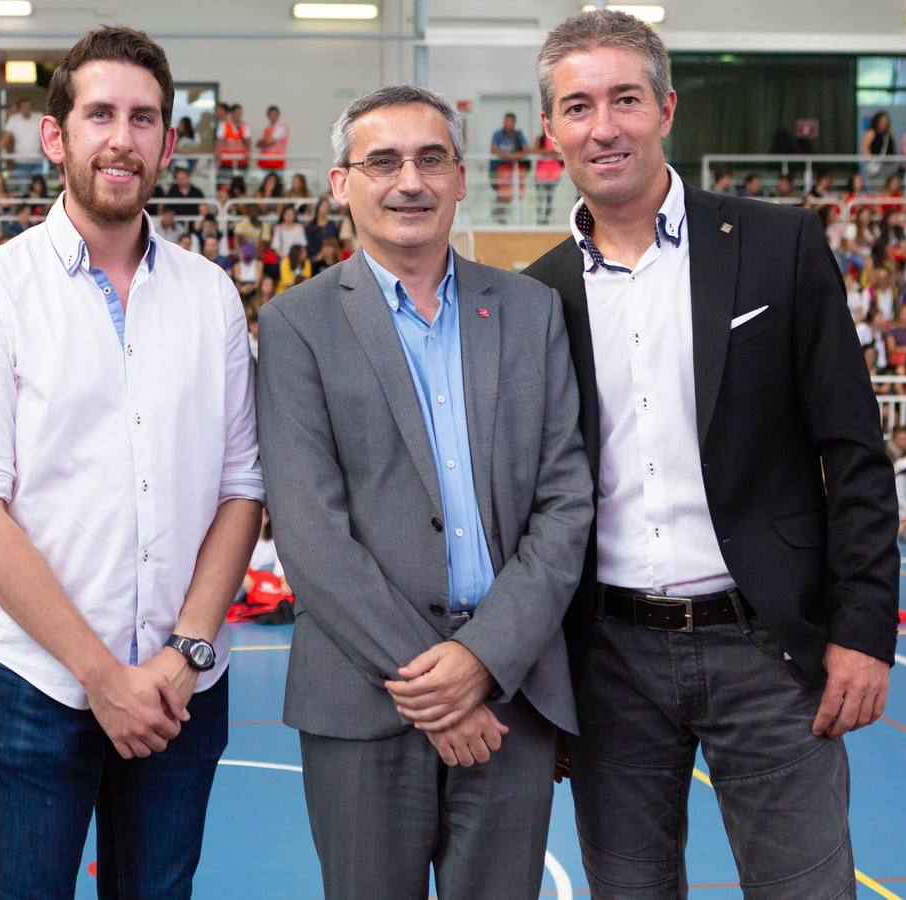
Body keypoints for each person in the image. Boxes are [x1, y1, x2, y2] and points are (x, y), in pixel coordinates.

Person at [521, 11, 900, 897]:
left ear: (665, 108)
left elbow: (853, 453)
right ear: (550, 131)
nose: (602, 126)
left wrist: (864, 631)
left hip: (768, 649)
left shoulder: (779, 244)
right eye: (577, 107)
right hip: (607, 661)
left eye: (623, 99)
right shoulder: (535, 295)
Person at [0, 27, 263, 898]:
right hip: (34, 684)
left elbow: (239, 489)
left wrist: (182, 653)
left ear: (167, 142)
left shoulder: (210, 294)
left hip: (182, 684)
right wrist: (100, 676)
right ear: (55, 136)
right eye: (100, 114)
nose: (122, 137)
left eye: (143, 118)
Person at [254, 84, 591, 898]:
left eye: (429, 159)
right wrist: (435, 684)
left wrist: (481, 660)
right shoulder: (296, 324)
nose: (409, 180)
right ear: (341, 183)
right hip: (365, 703)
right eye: (382, 161)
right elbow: (310, 534)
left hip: (511, 694)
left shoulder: (529, 310)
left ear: (460, 176)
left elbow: (564, 503)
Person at [489, 112, 530, 224]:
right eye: (505, 121)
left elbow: (527, 150)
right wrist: (509, 156)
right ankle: (499, 213)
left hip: (512, 170)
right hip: (498, 169)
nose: (506, 124)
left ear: (514, 123)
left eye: (509, 121)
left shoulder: (518, 135)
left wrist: (516, 156)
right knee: (501, 192)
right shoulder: (497, 134)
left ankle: (499, 213)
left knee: (508, 193)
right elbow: (493, 150)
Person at [255, 104, 289, 171]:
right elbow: (257, 144)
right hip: (265, 163)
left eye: (274, 114)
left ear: (278, 115)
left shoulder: (282, 127)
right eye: (270, 114)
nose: (272, 116)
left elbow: (269, 142)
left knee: (277, 181)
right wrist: (264, 142)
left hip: (277, 163)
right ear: (267, 116)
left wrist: (263, 141)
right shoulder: (267, 129)